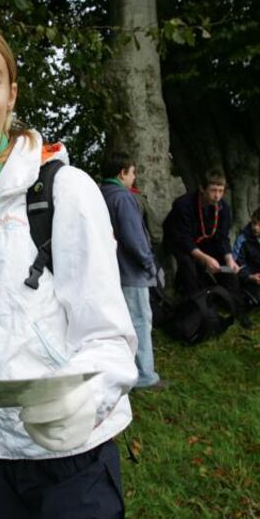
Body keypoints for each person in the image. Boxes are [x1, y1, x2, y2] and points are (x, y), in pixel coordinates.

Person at [0, 15, 137, 519]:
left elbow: (110, 338)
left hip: (72, 464)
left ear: (11, 94)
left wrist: (88, 395)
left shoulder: (63, 191)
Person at [99, 152, 161, 389]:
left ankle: (117, 370)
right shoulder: (123, 198)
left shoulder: (98, 194)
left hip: (108, 271)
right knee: (139, 322)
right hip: (131, 271)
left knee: (115, 325)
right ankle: (144, 375)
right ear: (122, 173)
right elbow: (135, 239)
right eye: (132, 172)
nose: (134, 178)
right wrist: (149, 263)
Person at [162, 168, 248, 325]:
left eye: (221, 191)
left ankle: (239, 311)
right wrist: (205, 258)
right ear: (202, 188)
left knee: (228, 271)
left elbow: (222, 238)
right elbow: (183, 238)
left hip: (206, 241)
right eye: (213, 190)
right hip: (180, 242)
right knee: (189, 267)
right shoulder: (183, 205)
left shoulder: (223, 208)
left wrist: (229, 259)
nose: (217, 196)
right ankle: (197, 311)